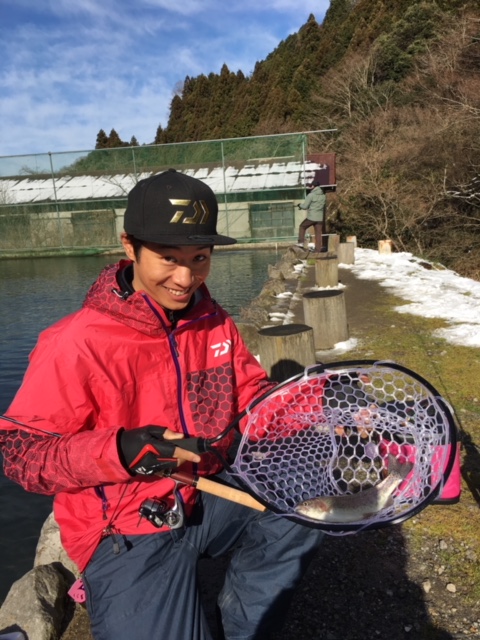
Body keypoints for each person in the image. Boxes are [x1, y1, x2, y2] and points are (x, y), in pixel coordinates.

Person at [0, 169, 324, 640]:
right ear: (129, 246)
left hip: (207, 493)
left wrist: (326, 411)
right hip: (126, 529)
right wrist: (118, 451)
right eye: (168, 258)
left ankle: (245, 628)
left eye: (200, 258)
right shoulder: (74, 341)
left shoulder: (214, 322)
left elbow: (253, 400)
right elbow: (21, 454)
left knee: (309, 489)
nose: (185, 277)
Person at [296, 180, 328, 252]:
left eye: (311, 186)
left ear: (313, 186)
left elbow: (305, 206)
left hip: (311, 217)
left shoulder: (311, 195)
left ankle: (301, 242)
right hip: (319, 218)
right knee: (318, 234)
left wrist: (299, 205)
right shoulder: (323, 196)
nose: (310, 187)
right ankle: (318, 250)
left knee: (302, 226)